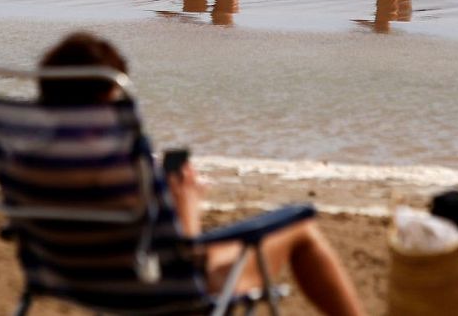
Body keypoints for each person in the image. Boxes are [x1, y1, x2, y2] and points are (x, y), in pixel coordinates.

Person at [37, 32, 366, 316]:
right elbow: (185, 251)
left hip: (76, 281)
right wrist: (187, 200)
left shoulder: (28, 161)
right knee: (300, 227)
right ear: (104, 97)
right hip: (161, 290)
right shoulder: (116, 168)